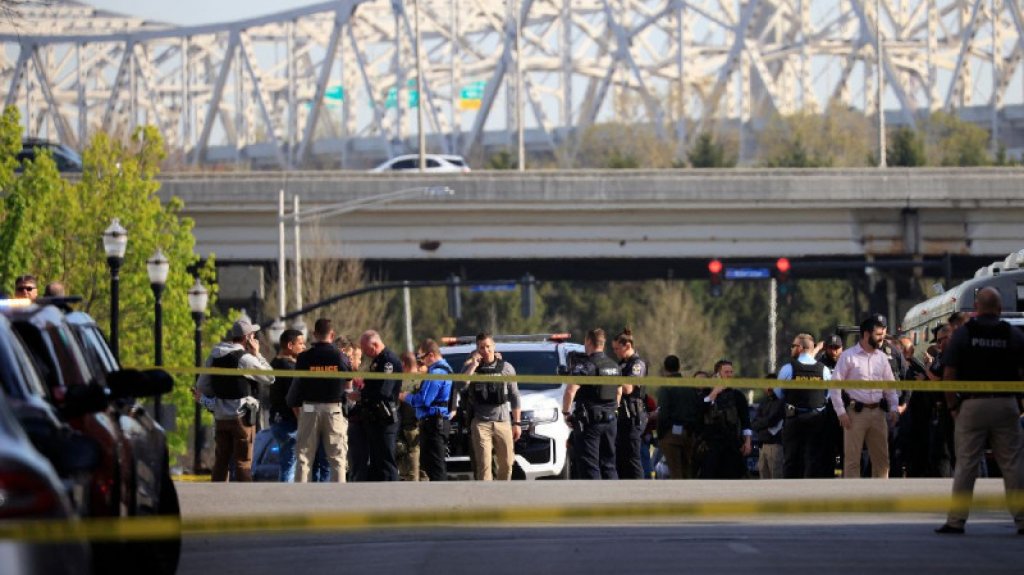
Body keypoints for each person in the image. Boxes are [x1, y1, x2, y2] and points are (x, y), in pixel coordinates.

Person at [936, 287, 1024, 535]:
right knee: (1013, 464)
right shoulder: (1013, 335)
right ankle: (1022, 520)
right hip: (1006, 405)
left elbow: (949, 375)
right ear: (999, 309)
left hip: (973, 405)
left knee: (966, 463)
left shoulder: (964, 335)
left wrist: (953, 406)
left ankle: (956, 520)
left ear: (976, 308)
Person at [196, 319, 275, 482]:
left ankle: (217, 499)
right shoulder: (244, 358)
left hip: (220, 418)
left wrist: (217, 399)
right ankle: (244, 501)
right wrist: (257, 354)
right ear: (247, 337)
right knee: (243, 463)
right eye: (253, 335)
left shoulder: (214, 355)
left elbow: (202, 385)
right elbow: (270, 377)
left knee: (220, 462)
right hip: (241, 418)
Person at [829, 314, 899, 479]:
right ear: (866, 334)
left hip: (878, 414)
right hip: (855, 415)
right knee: (852, 461)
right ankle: (854, 501)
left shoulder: (882, 358)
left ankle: (880, 501)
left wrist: (894, 407)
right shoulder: (848, 356)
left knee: (882, 461)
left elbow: (890, 386)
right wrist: (841, 413)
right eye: (879, 334)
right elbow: (834, 386)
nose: (882, 338)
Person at [288, 319, 351, 482]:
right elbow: (349, 381)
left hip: (309, 409)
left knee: (304, 458)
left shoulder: (303, 358)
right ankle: (338, 502)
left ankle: (301, 501)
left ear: (314, 335)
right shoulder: (340, 357)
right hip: (333, 410)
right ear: (332, 334)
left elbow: (298, 383)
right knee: (337, 459)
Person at [461, 332, 521, 481]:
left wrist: (517, 423)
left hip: (503, 421)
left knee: (507, 464)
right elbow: (461, 385)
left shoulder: (506, 368)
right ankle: (486, 500)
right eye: (481, 347)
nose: (485, 350)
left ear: (493, 347)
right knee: (484, 466)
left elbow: (515, 396)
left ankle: (501, 495)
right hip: (481, 423)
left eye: (488, 346)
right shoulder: (471, 368)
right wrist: (473, 364)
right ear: (477, 349)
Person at [563, 328, 621, 480]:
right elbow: (619, 392)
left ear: (588, 341)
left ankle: (595, 501)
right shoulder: (614, 366)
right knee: (609, 464)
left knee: (590, 465)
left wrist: (566, 413)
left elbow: (570, 390)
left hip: (590, 422)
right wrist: (613, 409)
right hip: (610, 421)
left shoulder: (587, 365)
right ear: (603, 343)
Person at [777, 333, 832, 478]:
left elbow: (778, 394)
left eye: (793, 346)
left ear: (800, 348)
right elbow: (829, 394)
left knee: (791, 460)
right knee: (814, 460)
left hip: (794, 419)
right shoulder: (824, 370)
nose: (791, 349)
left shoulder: (788, 368)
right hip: (817, 419)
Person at [401, 339, 453, 482]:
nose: (421, 362)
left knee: (435, 467)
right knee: (432, 465)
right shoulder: (444, 369)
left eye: (422, 357)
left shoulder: (437, 372)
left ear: (431, 355)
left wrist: (406, 397)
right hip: (435, 422)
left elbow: (425, 400)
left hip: (434, 424)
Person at [356, 330, 403, 481]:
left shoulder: (388, 361)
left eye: (365, 349)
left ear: (375, 344)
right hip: (376, 419)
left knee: (386, 462)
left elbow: (384, 391)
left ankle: (392, 497)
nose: (364, 353)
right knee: (377, 462)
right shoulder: (378, 360)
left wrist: (361, 395)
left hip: (386, 418)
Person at [696, 359, 752, 479]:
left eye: (731, 372)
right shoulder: (705, 393)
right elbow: (699, 411)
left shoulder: (737, 396)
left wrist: (747, 441)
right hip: (711, 445)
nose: (730, 375)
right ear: (717, 374)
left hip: (732, 444)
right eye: (726, 372)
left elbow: (745, 420)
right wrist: (713, 393)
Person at [656, 358, 704, 480]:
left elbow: (664, 413)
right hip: (689, 433)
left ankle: (678, 497)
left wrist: (661, 435)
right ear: (678, 367)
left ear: (665, 368)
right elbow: (697, 408)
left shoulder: (666, 387)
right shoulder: (689, 385)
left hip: (671, 434)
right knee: (687, 469)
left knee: (675, 471)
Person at [268, 329, 305, 482]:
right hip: (289, 423)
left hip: (276, 419)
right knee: (289, 466)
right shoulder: (288, 368)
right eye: (300, 343)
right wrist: (303, 422)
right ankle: (285, 499)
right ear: (290, 345)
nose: (303, 347)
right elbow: (293, 400)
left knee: (287, 464)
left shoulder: (274, 363)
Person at [612, 328, 648, 480]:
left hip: (634, 417)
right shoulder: (621, 364)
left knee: (632, 459)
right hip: (622, 417)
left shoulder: (637, 364)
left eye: (617, 349)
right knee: (621, 458)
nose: (615, 352)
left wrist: (611, 380)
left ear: (627, 346)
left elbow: (627, 388)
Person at [397, 352, 424, 481]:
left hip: (408, 424)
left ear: (404, 364)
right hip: (422, 423)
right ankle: (423, 477)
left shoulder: (402, 381)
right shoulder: (424, 379)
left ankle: (413, 478)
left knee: (412, 452)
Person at [751, 386, 785, 479]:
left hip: (775, 445)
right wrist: (764, 423)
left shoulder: (781, 402)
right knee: (763, 476)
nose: (769, 388)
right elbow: (754, 423)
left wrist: (761, 423)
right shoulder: (764, 402)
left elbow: (772, 421)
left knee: (776, 476)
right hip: (762, 445)